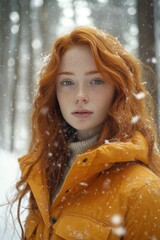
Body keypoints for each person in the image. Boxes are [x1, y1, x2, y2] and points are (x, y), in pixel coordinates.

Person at [15, 26, 160, 240]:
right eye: (67, 82)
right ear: (53, 92)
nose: (80, 96)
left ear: (118, 90)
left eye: (96, 81)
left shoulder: (144, 191)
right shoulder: (45, 172)